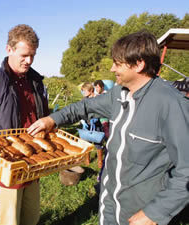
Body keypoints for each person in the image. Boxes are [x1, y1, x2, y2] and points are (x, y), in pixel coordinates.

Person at [28, 31, 189, 225]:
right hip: (109, 204)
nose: (112, 69)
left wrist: (155, 212)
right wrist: (52, 120)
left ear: (139, 64)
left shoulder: (171, 104)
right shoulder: (118, 95)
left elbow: (186, 170)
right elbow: (84, 107)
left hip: (141, 212)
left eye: (118, 63)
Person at [0, 24, 49, 225]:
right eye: (24, 55)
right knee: (10, 220)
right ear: (9, 49)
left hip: (34, 162)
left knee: (31, 217)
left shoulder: (35, 81)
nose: (29, 61)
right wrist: (4, 157)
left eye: (33, 55)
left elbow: (44, 115)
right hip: (7, 168)